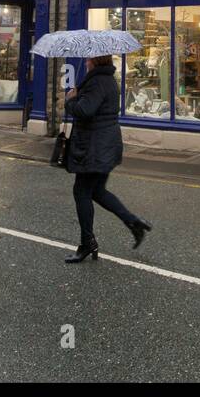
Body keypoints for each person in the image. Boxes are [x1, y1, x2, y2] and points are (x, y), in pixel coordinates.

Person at [62, 54, 151, 263]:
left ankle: (87, 243)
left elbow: (85, 110)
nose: (85, 62)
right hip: (105, 144)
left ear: (96, 62)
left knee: (82, 191)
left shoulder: (97, 82)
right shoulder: (108, 80)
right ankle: (133, 222)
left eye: (89, 59)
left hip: (95, 146)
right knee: (98, 191)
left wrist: (71, 100)